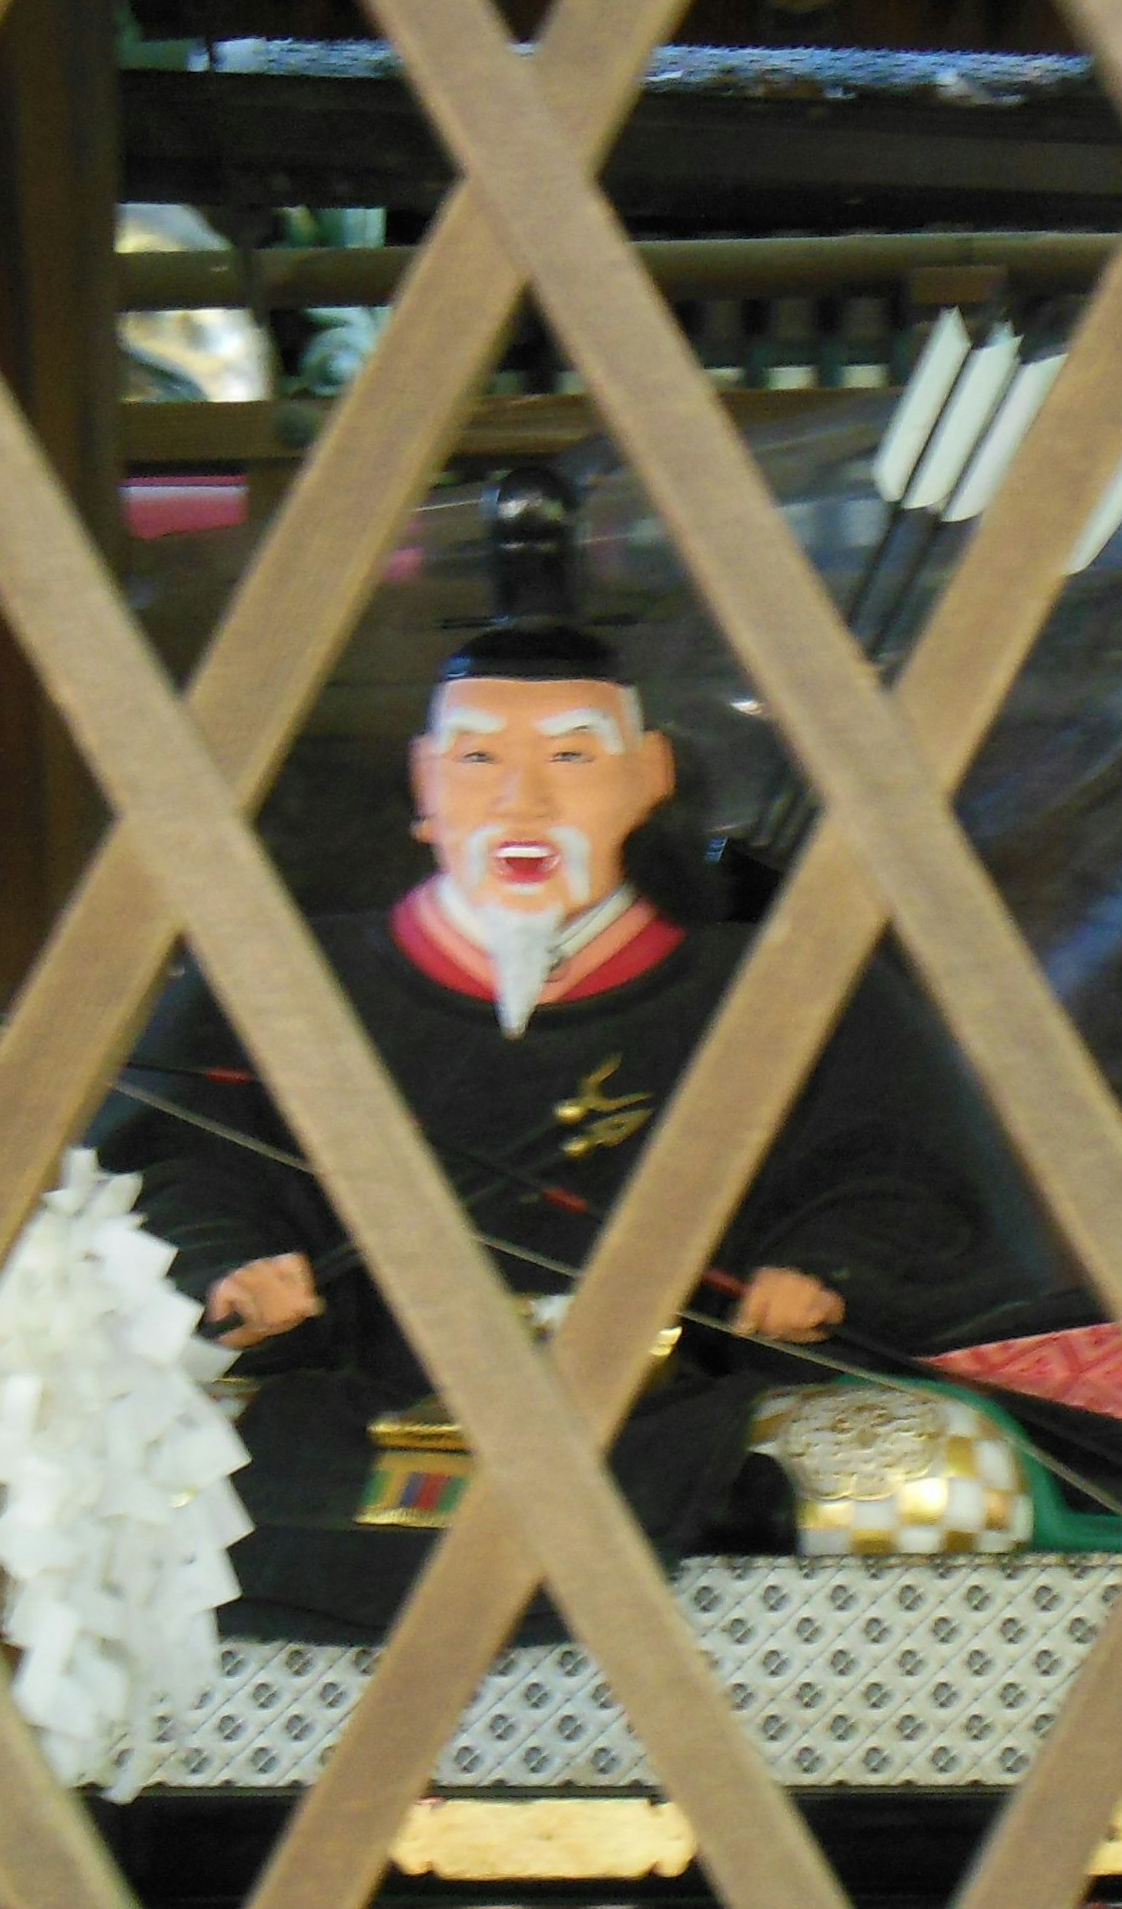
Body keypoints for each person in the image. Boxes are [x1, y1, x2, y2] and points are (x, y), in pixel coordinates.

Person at [85, 468, 1051, 1635]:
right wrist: (227, 1264)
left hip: (687, 1411)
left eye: (574, 760)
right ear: (426, 787)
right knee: (116, 1467)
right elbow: (174, 1169)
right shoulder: (274, 979)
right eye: (481, 761)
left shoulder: (780, 985)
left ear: (648, 779)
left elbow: (903, 1176)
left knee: (928, 1477)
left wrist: (827, 1268)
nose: (523, 801)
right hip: (349, 1398)